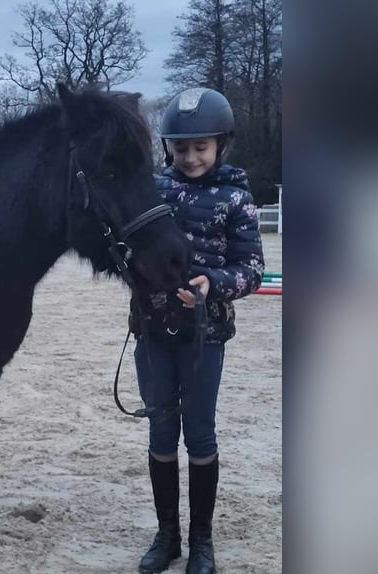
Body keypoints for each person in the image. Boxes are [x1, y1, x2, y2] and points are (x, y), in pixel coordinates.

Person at [130, 87, 265, 574]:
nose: (190, 157)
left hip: (203, 337)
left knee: (200, 435)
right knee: (161, 432)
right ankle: (166, 536)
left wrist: (216, 283)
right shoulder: (152, 191)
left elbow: (250, 268)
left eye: (200, 147)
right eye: (181, 147)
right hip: (151, 331)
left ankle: (201, 542)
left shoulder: (238, 199)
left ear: (221, 145)